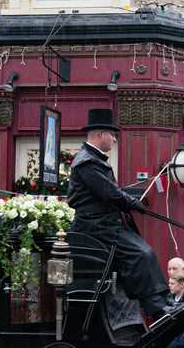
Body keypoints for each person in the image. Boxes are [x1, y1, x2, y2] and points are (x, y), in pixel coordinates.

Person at [66, 108, 169, 319]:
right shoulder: (87, 162)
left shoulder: (93, 159)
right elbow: (110, 192)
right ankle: (157, 308)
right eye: (112, 135)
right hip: (97, 226)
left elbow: (111, 191)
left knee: (143, 250)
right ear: (100, 134)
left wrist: (130, 202)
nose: (114, 139)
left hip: (105, 223)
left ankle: (161, 302)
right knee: (142, 253)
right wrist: (132, 202)